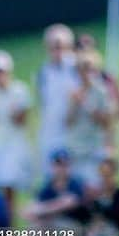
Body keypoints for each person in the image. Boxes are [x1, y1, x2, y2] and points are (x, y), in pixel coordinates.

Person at [0, 50, 32, 209]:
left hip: (12, 148)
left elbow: (22, 120)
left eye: (2, 72)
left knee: (9, 193)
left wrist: (15, 113)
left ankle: (9, 231)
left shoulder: (19, 90)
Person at [65, 49, 116, 187]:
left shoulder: (102, 91)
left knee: (95, 186)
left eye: (90, 69)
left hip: (95, 147)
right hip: (77, 148)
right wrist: (75, 103)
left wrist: (86, 104)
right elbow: (68, 121)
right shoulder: (73, 92)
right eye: (83, 69)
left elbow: (106, 121)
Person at [36, 23, 79, 162]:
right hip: (51, 132)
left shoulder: (78, 68)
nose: (57, 51)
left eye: (60, 46)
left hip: (76, 131)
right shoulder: (43, 72)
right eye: (53, 46)